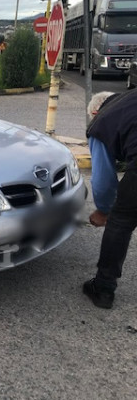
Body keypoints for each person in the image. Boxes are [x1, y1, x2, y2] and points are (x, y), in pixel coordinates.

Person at [83, 89, 137, 309]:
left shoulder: (102, 122)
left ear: (95, 111)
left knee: (120, 222)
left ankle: (103, 289)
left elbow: (103, 181)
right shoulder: (129, 100)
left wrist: (104, 210)